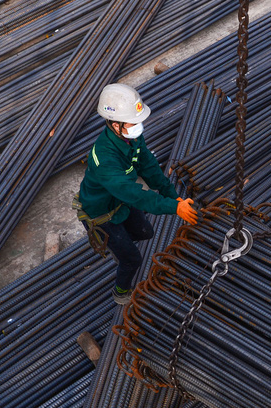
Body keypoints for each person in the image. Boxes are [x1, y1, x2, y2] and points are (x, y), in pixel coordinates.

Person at [76, 83, 198, 305]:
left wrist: (173, 197)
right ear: (116, 125)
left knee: (146, 232)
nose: (139, 126)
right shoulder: (105, 159)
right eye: (134, 122)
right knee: (132, 259)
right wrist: (173, 208)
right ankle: (120, 293)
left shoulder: (130, 137)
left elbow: (149, 167)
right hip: (102, 214)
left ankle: (120, 243)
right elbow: (134, 193)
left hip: (121, 201)